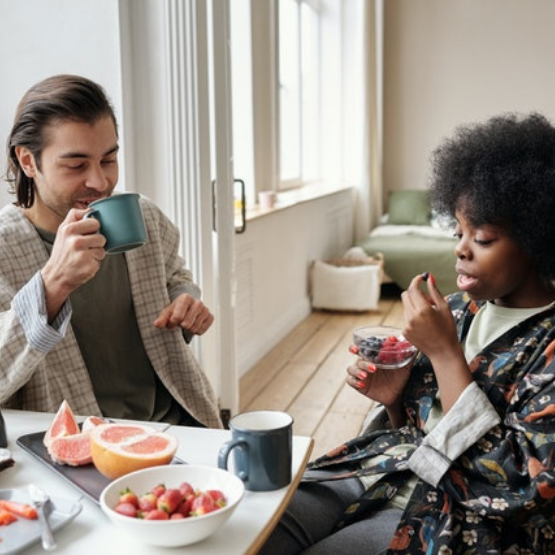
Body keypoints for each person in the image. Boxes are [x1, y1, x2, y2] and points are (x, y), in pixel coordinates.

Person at [260, 112, 555, 553]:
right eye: (458, 231)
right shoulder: (457, 309)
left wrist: (445, 356)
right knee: (254, 527)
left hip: (455, 517)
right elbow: (419, 429)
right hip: (387, 471)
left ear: (538, 238)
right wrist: (395, 401)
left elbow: (521, 488)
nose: (460, 248)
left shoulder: (547, 346)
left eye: (484, 238)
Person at [0, 74, 222, 429]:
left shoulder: (143, 216)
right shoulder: (4, 249)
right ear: (28, 161)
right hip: (75, 450)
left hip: (179, 427)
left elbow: (175, 276)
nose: (100, 182)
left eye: (108, 159)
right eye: (76, 165)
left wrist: (185, 300)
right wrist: (52, 285)